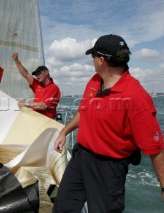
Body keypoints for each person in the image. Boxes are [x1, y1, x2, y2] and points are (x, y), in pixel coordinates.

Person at [53, 34, 164, 212]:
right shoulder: (94, 81)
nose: (93, 61)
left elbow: (155, 147)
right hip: (81, 157)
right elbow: (85, 111)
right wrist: (64, 132)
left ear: (101, 60)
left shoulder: (136, 96)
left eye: (93, 57)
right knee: (63, 207)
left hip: (109, 167)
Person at [12, 52, 61, 119]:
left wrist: (25, 104)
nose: (37, 76)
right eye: (36, 75)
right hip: (36, 119)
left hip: (47, 121)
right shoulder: (37, 85)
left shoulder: (53, 88)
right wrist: (16, 60)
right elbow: (25, 74)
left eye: (39, 73)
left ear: (46, 72)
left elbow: (43, 106)